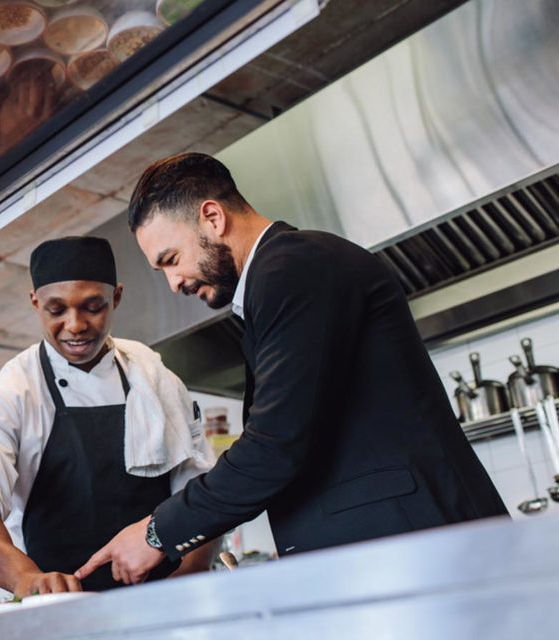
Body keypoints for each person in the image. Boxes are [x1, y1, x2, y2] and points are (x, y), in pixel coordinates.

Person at [76, 153, 509, 585]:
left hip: (418, 554)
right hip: (391, 558)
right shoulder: (276, 281)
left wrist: (156, 533)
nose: (174, 284)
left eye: (171, 259)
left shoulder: (294, 267)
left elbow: (275, 445)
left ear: (211, 217)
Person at [0, 236, 217, 596]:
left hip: (164, 601)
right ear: (35, 303)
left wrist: (192, 572)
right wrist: (24, 577)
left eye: (92, 307)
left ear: (116, 297)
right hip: (60, 608)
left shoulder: (155, 377)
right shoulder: (11, 391)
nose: (75, 325)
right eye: (57, 310)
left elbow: (199, 490)